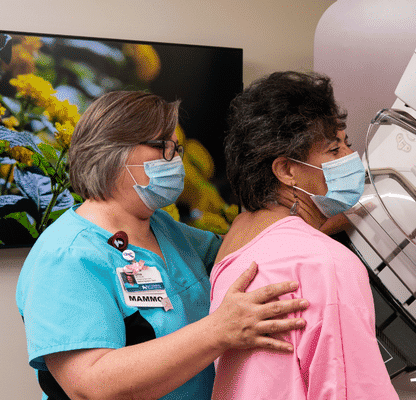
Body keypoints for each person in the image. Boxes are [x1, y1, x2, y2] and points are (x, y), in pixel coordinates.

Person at [16, 90, 310, 400]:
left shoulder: (165, 230)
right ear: (112, 151)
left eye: (176, 148)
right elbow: (90, 385)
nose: (175, 159)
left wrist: (313, 205)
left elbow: (242, 249)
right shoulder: (67, 256)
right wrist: (218, 331)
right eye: (162, 147)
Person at [209, 71, 398, 399]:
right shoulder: (327, 264)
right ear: (286, 170)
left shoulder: (236, 243)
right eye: (334, 151)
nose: (351, 160)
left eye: (347, 146)